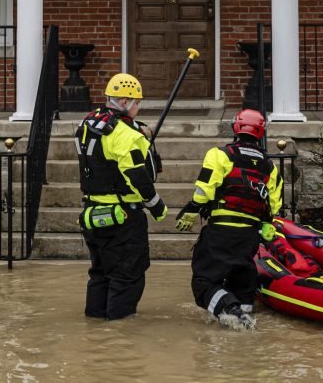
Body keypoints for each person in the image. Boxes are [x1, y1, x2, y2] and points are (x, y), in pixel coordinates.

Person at [175, 109, 282, 329]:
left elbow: (205, 190)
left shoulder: (220, 154)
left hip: (221, 233)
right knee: (242, 283)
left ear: (236, 127)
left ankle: (231, 312)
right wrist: (267, 226)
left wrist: (191, 210)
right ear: (261, 132)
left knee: (204, 283)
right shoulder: (271, 167)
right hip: (250, 236)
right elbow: (274, 206)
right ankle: (243, 318)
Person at [76, 73, 169, 320]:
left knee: (100, 273)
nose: (138, 108)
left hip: (93, 214)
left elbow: (107, 141)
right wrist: (156, 205)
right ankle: (119, 335)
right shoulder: (127, 136)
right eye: (137, 102)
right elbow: (136, 175)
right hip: (124, 217)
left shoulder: (87, 123)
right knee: (126, 275)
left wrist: (137, 130)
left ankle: (96, 328)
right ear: (126, 101)